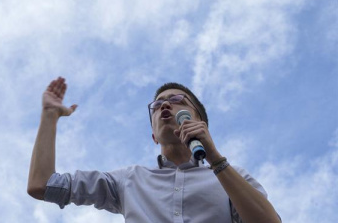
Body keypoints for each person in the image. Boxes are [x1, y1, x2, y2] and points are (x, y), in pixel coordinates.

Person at [28, 76, 280, 222]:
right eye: (157, 105)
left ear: (200, 122)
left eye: (177, 100)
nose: (165, 106)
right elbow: (43, 185)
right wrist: (50, 115)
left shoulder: (233, 180)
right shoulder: (128, 180)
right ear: (153, 136)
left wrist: (215, 159)